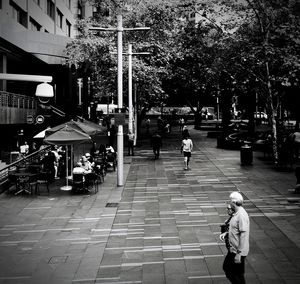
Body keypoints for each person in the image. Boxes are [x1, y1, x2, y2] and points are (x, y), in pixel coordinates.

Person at [220, 192, 250, 284]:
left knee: (229, 270)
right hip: (233, 249)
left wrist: (239, 254)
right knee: (238, 274)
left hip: (237, 251)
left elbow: (243, 235)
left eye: (230, 201)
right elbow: (235, 229)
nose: (229, 203)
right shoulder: (237, 213)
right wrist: (227, 233)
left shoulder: (241, 215)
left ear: (234, 202)